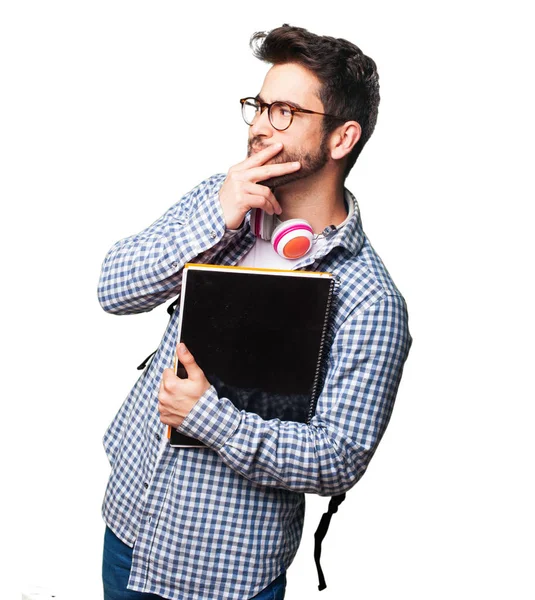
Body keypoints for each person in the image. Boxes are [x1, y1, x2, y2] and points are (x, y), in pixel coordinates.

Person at [98, 24, 412, 600]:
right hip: (129, 531)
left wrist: (207, 419)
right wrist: (214, 217)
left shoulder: (371, 299)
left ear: (341, 139)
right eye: (260, 105)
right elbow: (113, 290)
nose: (262, 124)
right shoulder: (221, 197)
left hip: (226, 572)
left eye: (286, 111)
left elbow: (338, 457)